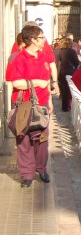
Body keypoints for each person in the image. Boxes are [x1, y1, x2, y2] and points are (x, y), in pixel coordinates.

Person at [6, 25, 52, 187]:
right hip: (24, 105)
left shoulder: (44, 56)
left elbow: (47, 80)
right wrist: (35, 83)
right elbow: (15, 82)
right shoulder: (19, 58)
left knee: (42, 139)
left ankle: (41, 168)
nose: (44, 40)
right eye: (41, 38)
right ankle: (27, 174)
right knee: (23, 140)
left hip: (42, 104)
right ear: (33, 40)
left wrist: (50, 101)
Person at [58, 38, 80, 112]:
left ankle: (64, 107)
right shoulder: (72, 51)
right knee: (72, 89)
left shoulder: (60, 52)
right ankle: (72, 106)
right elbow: (76, 62)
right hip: (71, 71)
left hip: (62, 72)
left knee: (64, 90)